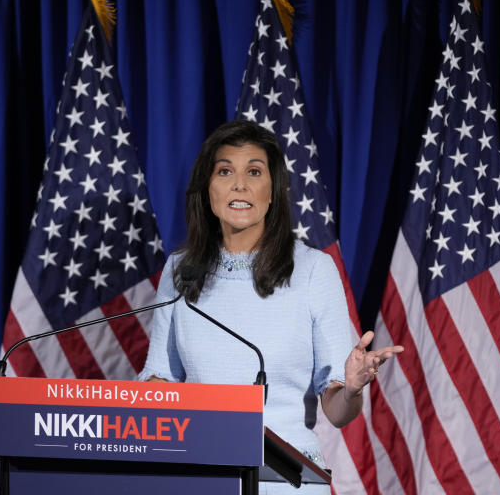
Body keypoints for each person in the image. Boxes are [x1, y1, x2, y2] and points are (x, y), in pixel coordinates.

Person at [139, 120, 402, 493]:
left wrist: (352, 389)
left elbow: (338, 411)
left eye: (254, 172)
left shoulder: (312, 269)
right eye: (225, 171)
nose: (240, 184)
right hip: (200, 474)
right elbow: (159, 378)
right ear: (207, 190)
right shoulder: (180, 271)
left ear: (273, 191)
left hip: (285, 480)